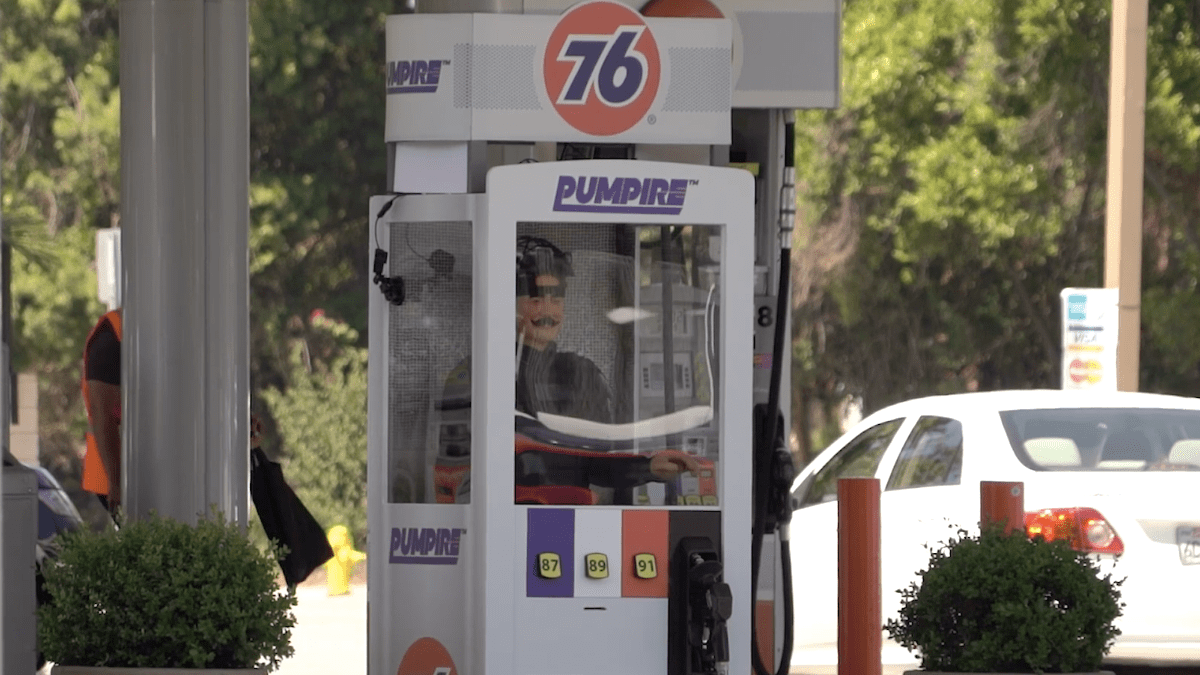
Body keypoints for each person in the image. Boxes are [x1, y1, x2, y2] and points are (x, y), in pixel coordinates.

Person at [433, 236, 699, 504]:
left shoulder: (580, 374)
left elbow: (598, 464)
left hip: (567, 526)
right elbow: (452, 473)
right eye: (536, 299)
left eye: (557, 300)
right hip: (501, 526)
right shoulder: (475, 375)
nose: (548, 311)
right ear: (505, 303)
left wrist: (650, 467)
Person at [81, 308, 123, 515]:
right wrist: (116, 481)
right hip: (114, 478)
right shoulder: (111, 337)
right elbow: (101, 412)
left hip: (121, 476)